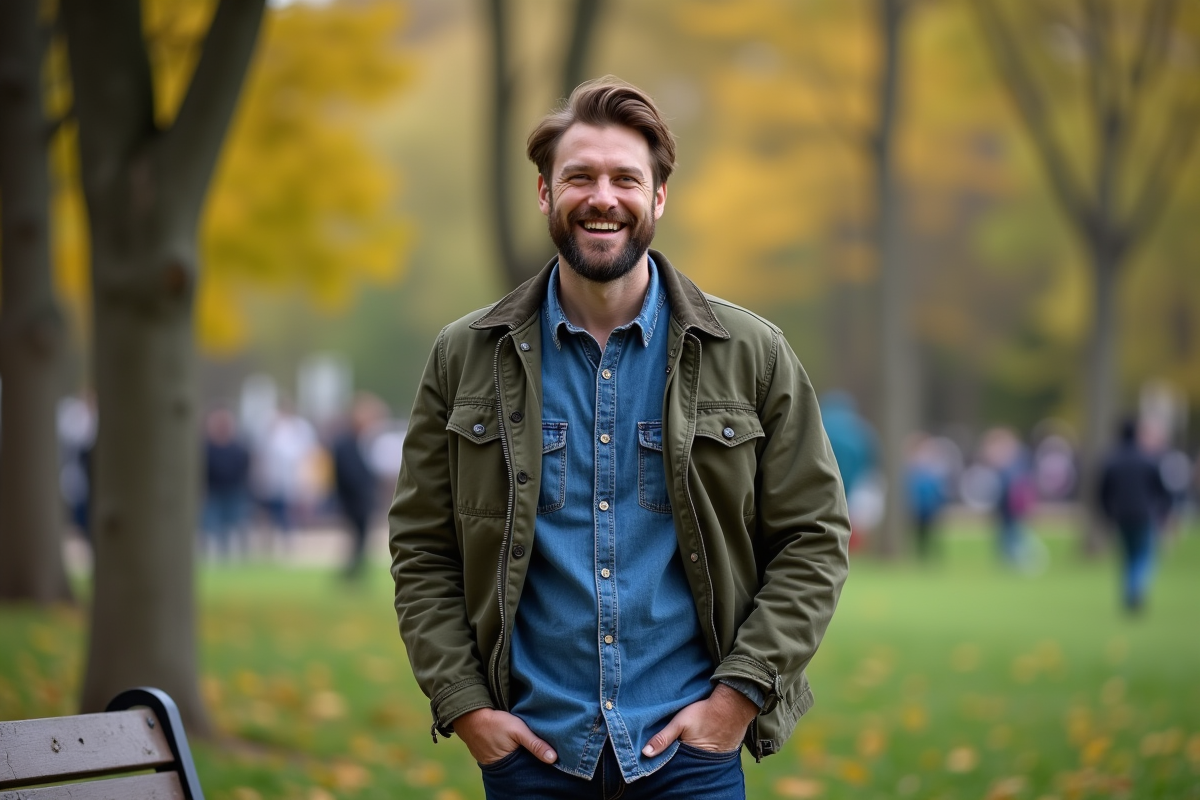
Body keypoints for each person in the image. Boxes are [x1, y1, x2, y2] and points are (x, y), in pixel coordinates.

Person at [389, 77, 850, 799]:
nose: (602, 197)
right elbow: (422, 547)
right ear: (545, 194)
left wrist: (739, 699)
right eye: (579, 176)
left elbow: (815, 538)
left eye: (625, 178)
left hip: (691, 759)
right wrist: (467, 708)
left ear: (658, 198)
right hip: (533, 760)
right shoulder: (463, 356)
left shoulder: (751, 352)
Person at [1098, 417, 1172, 613]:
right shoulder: (1147, 459)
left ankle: (1130, 592)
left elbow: (1103, 492)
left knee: (1128, 556)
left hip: (1121, 515)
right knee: (1144, 555)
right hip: (1144, 514)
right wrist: (1164, 513)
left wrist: (1107, 515)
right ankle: (1136, 588)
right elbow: (1162, 491)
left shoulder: (1111, 460)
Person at [331, 393, 386, 578]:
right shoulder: (347, 442)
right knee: (358, 537)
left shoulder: (364, 440)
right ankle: (352, 572)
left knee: (361, 538)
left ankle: (354, 572)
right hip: (353, 499)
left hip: (360, 498)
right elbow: (349, 473)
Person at [202, 407, 252, 560]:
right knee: (214, 527)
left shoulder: (239, 447)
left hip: (235, 491)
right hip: (213, 492)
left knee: (238, 524)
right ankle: (220, 557)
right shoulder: (206, 447)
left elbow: (245, 468)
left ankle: (241, 557)